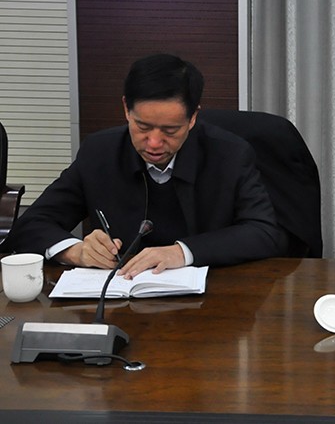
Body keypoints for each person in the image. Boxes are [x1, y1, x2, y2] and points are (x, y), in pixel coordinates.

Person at [2, 54, 289, 278]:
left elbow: (264, 232)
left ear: (192, 118)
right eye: (142, 127)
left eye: (170, 130)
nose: (153, 143)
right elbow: (32, 225)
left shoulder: (230, 154)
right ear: (126, 109)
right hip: (120, 300)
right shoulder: (99, 152)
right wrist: (75, 251)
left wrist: (182, 252)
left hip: (213, 301)